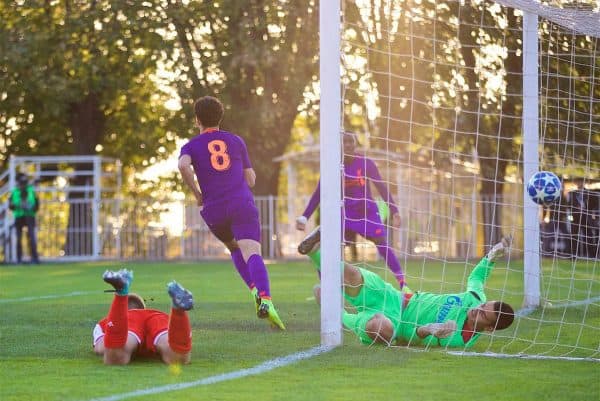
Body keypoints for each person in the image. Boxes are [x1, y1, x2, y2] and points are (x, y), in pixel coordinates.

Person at [300, 230, 515, 348]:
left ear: (488, 329)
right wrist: (491, 257)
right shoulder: (475, 297)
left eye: (483, 313)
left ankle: (338, 314)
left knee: (381, 327)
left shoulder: (457, 339)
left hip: (396, 325)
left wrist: (428, 329)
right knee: (354, 276)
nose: (478, 307)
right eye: (483, 305)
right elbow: (477, 277)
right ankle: (314, 250)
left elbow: (411, 338)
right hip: (395, 298)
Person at [178, 95, 285, 330]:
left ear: (197, 120)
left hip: (214, 209)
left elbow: (183, 165)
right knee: (252, 251)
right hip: (241, 203)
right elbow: (251, 179)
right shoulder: (235, 141)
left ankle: (254, 290)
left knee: (234, 247)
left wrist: (197, 193)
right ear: (220, 117)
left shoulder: (190, 146)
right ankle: (265, 299)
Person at [296, 132, 407, 289]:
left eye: (351, 142)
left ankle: (403, 282)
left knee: (383, 244)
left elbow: (381, 186)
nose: (348, 145)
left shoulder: (366, 163)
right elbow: (319, 192)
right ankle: (327, 287)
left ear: (355, 144)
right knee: (328, 248)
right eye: (344, 142)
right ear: (339, 145)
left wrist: (394, 211)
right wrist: (304, 216)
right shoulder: (332, 165)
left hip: (366, 212)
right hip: (344, 214)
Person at [93, 269, 194, 365]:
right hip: (158, 318)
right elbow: (180, 336)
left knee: (116, 356)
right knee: (177, 358)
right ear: (142, 308)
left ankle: (121, 293)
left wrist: (110, 352)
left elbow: (101, 347)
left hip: (130, 322)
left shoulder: (106, 321)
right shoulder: (158, 315)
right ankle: (178, 311)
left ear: (120, 312)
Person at [9, 173, 40, 264]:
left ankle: (34, 258)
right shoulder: (14, 192)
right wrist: (17, 205)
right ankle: (19, 259)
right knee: (19, 238)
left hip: (29, 216)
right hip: (19, 217)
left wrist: (30, 207)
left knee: (31, 237)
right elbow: (10, 206)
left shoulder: (31, 190)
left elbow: (37, 205)